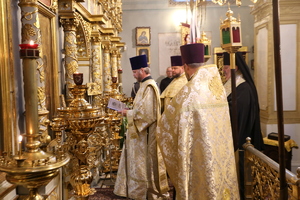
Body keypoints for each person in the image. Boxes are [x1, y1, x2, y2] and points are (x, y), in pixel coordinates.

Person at [156, 43, 239, 200]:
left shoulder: (189, 94)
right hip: (219, 156)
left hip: (197, 158)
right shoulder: (217, 88)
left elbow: (165, 126)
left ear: (186, 66)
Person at [114, 54, 169, 199]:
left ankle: (143, 192)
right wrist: (129, 110)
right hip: (139, 135)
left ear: (142, 70)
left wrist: (128, 113)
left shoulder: (150, 87)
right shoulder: (143, 86)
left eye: (134, 72)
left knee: (143, 167)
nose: (133, 75)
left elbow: (148, 114)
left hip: (144, 136)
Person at [223, 52, 265, 199]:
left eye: (226, 66)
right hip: (234, 138)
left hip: (241, 142)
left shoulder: (243, 88)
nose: (223, 70)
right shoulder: (232, 85)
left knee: (241, 183)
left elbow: (236, 113)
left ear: (235, 67)